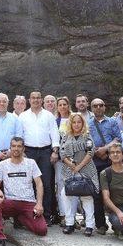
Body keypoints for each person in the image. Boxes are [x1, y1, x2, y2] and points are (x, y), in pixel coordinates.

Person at [0, 137, 48, 246]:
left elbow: (39, 184)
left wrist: (39, 203)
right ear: (10, 148)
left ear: (23, 148)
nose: (16, 149)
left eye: (19, 146)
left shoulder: (31, 163)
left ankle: (20, 217)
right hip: (10, 201)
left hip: (28, 202)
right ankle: (0, 240)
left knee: (42, 230)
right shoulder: (2, 164)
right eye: (14, 146)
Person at [19, 91, 60, 224]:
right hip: (28, 152)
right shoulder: (23, 116)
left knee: (46, 183)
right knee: (28, 183)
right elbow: (20, 134)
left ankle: (46, 215)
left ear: (41, 100)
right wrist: (22, 151)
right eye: (33, 98)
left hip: (45, 152)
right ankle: (29, 214)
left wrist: (55, 150)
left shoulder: (48, 115)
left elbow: (54, 133)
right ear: (29, 100)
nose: (36, 100)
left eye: (38, 98)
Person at [59, 113, 98, 236]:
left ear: (83, 123)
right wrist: (71, 165)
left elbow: (90, 152)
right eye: (74, 122)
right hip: (69, 169)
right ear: (70, 124)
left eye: (79, 122)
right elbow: (62, 153)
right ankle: (70, 223)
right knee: (66, 195)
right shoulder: (66, 137)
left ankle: (90, 225)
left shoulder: (87, 136)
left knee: (87, 196)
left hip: (86, 169)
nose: (76, 124)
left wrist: (79, 167)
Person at [88, 98, 121, 234]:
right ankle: (100, 224)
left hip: (110, 160)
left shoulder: (112, 121)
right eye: (95, 106)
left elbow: (118, 139)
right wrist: (97, 151)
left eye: (101, 105)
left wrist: (105, 149)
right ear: (92, 108)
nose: (98, 107)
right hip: (95, 161)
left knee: (114, 191)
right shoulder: (88, 123)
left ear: (104, 107)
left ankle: (117, 223)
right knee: (97, 192)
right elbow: (87, 141)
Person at [0, 93, 24, 182]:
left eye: (4, 101)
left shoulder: (15, 119)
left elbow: (19, 136)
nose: (2, 103)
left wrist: (11, 151)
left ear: (8, 103)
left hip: (13, 155)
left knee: (13, 181)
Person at [54, 96, 72, 226]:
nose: (62, 107)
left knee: (73, 185)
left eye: (64, 104)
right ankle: (63, 214)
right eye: (59, 105)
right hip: (60, 158)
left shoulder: (75, 119)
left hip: (74, 158)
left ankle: (73, 216)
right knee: (61, 185)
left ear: (68, 105)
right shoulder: (55, 121)